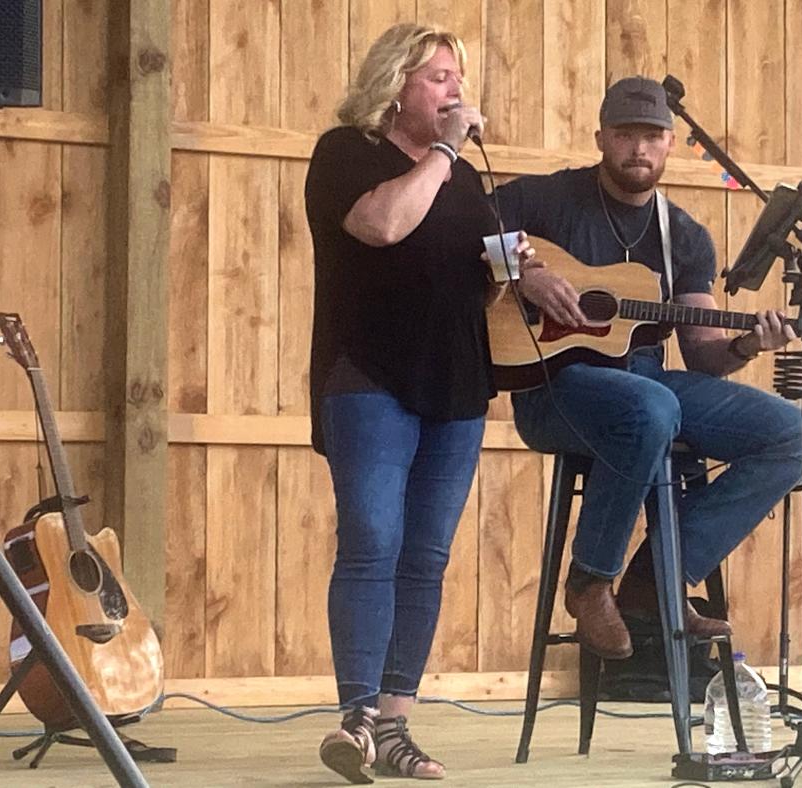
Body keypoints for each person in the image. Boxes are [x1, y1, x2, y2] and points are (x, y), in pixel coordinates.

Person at [494, 76, 802, 661]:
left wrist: (748, 345)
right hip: (554, 385)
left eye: (651, 136)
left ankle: (656, 577)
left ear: (672, 143)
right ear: (601, 138)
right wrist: (527, 275)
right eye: (625, 135)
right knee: (652, 408)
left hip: (648, 381)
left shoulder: (685, 238)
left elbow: (703, 353)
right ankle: (591, 579)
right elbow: (468, 223)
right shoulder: (545, 200)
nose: (638, 150)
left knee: (796, 435)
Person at [304, 23, 534, 784]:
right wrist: (443, 153)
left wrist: (514, 266)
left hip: (458, 380)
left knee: (426, 555)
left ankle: (395, 726)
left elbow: (476, 271)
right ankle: (357, 718)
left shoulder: (464, 180)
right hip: (369, 370)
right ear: (395, 83)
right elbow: (383, 225)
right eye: (437, 77)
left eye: (456, 78)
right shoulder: (346, 154)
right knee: (372, 535)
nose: (454, 91)